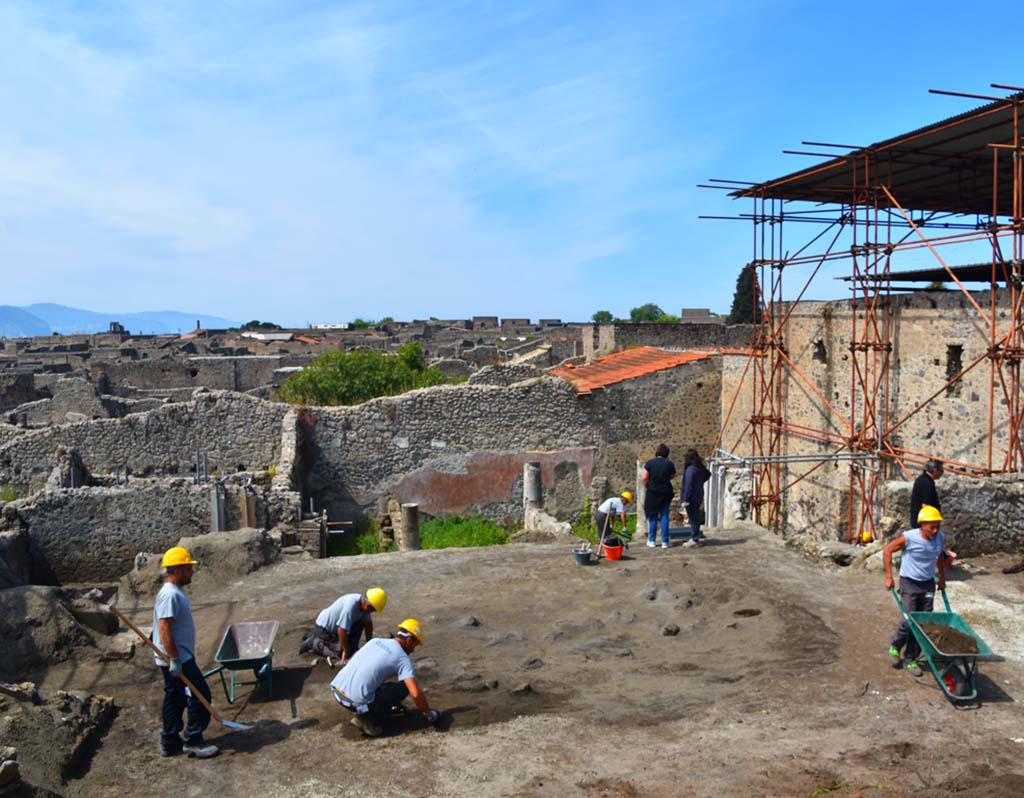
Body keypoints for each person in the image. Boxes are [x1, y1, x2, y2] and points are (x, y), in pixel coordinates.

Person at [152, 546, 219, 758]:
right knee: (201, 695)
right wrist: (174, 659)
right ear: (179, 570)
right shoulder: (170, 595)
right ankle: (193, 740)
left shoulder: (173, 592)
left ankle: (170, 742)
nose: (192, 571)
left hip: (175, 656)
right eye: (189, 568)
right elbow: (164, 628)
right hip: (177, 658)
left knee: (175, 698)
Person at [330, 618, 440, 737]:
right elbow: (416, 694)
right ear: (409, 640)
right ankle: (367, 719)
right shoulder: (402, 658)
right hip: (354, 702)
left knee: (379, 681)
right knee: (404, 687)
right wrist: (429, 714)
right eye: (415, 645)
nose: (413, 650)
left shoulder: (375, 641)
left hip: (337, 691)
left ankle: (378, 706)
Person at [883, 505, 946, 676]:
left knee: (923, 623)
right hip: (909, 582)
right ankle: (896, 646)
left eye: (938, 526)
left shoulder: (940, 538)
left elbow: (940, 556)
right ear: (922, 525)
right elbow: (887, 550)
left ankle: (911, 658)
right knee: (910, 619)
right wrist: (889, 577)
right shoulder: (909, 538)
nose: (935, 530)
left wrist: (941, 577)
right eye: (932, 527)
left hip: (928, 583)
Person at [299, 588, 387, 667]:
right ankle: (314, 643)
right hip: (324, 629)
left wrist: (370, 645)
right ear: (367, 605)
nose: (373, 612)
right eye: (373, 609)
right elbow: (341, 631)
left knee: (360, 625)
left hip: (337, 628)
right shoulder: (350, 606)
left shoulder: (364, 605)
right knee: (340, 655)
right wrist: (346, 652)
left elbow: (368, 625)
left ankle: (350, 649)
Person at [642, 444, 676, 549]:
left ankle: (651, 540)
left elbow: (644, 477)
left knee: (653, 515)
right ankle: (665, 541)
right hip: (665, 492)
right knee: (664, 516)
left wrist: (647, 485)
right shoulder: (669, 464)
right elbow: (673, 475)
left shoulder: (650, 463)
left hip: (653, 492)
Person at [680, 449, 711, 547]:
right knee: (695, 516)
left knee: (693, 518)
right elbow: (708, 474)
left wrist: (685, 499)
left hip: (691, 497)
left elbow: (688, 486)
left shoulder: (690, 470)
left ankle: (694, 538)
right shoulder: (699, 468)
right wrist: (700, 482)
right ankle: (694, 536)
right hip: (698, 495)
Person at [909, 459, 943, 529]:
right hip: (923, 523)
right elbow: (925, 505)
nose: (942, 473)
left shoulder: (922, 479)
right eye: (941, 470)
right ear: (935, 470)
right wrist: (930, 524)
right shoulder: (927, 483)